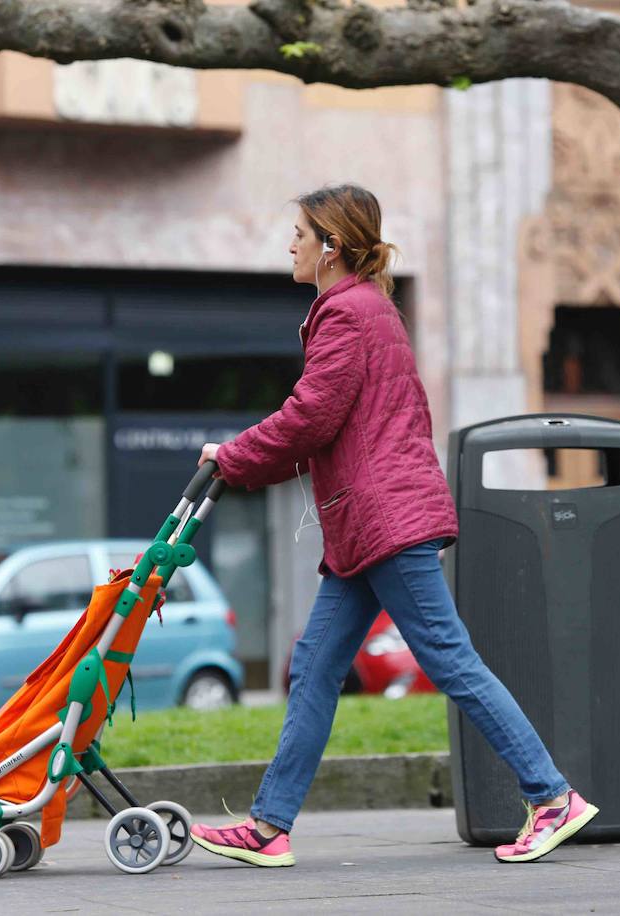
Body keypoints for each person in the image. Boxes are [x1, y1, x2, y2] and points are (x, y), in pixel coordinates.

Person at [187, 184, 598, 868]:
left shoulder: (348, 314)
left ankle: (553, 796)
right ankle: (269, 827)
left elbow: (310, 414)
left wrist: (232, 456)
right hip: (369, 525)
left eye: (299, 233)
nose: (289, 244)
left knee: (450, 660)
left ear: (331, 247)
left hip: (387, 522)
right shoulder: (366, 311)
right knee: (315, 665)